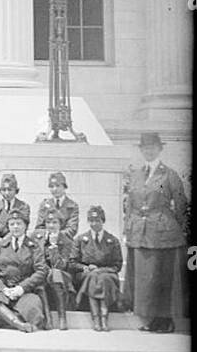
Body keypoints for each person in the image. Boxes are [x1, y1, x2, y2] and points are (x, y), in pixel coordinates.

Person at [122, 132, 190, 333]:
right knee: (144, 279)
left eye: (152, 147)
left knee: (162, 277)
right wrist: (129, 227)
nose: (148, 151)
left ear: (160, 149)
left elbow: (180, 204)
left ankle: (165, 321)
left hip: (163, 235)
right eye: (145, 148)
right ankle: (150, 320)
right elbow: (130, 205)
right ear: (141, 150)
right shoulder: (136, 174)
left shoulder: (169, 175)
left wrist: (171, 226)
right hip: (139, 234)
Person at [0, 212, 45, 331]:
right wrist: (3, 288)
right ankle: (18, 323)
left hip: (25, 290)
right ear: (8, 227)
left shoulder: (33, 246)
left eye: (19, 224)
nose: (15, 227)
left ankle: (8, 320)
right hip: (4, 290)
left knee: (34, 308)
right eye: (12, 224)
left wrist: (21, 288)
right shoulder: (1, 245)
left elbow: (41, 271)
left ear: (26, 226)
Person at [75, 205, 123, 332]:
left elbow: (117, 265)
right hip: (86, 274)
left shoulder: (112, 241)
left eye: (97, 220)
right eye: (91, 220)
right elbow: (72, 262)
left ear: (103, 221)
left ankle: (101, 318)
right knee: (93, 277)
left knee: (100, 278)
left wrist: (101, 270)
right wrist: (85, 267)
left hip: (107, 274)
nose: (94, 223)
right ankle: (99, 318)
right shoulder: (81, 240)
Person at [37, 208, 75, 330]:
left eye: (55, 223)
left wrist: (54, 247)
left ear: (61, 224)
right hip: (42, 272)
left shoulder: (67, 241)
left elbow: (60, 265)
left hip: (61, 275)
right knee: (40, 277)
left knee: (56, 273)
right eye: (48, 222)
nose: (51, 226)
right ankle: (48, 318)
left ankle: (62, 317)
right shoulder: (37, 236)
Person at [0, 173, 32, 244]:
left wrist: (5, 240)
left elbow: (23, 227)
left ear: (16, 191)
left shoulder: (23, 207)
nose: (6, 193)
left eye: (10, 190)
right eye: (4, 190)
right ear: (0, 191)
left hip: (16, 241)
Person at [36, 170, 80, 240]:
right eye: (51, 186)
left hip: (65, 243)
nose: (55, 189)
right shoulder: (44, 205)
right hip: (47, 241)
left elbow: (72, 229)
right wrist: (48, 235)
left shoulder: (72, 206)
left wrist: (57, 235)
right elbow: (39, 227)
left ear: (64, 187)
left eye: (58, 186)